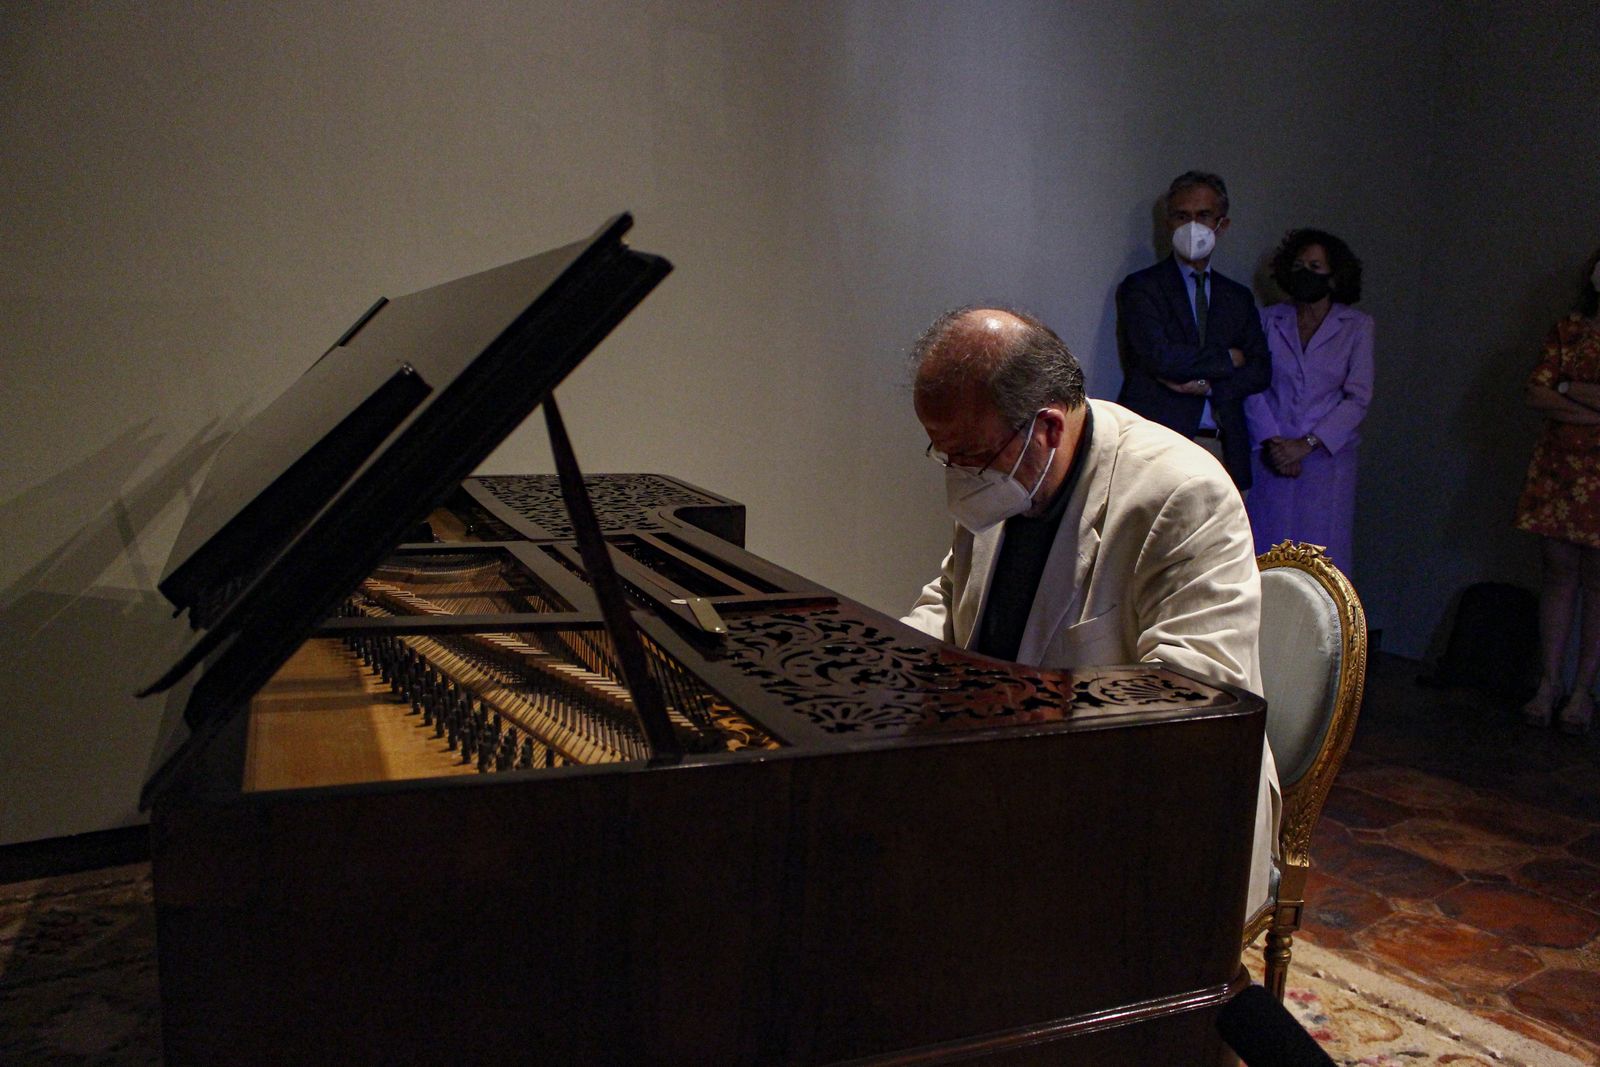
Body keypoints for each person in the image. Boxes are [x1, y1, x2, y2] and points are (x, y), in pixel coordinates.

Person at [900, 305, 1280, 917]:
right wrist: (888, 665)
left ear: (1047, 428)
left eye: (969, 454)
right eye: (944, 454)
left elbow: (1197, 698)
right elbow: (949, 598)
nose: (958, 475)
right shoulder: (1010, 464)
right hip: (1011, 779)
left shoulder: (1182, 495)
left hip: (1148, 813)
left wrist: (1017, 710)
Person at [1116, 171, 1271, 490]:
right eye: (1181, 216)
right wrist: (1228, 359)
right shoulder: (1142, 288)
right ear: (1169, 222)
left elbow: (1260, 370)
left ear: (1221, 224)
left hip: (1221, 446)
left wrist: (1208, 385)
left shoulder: (1237, 297)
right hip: (1157, 447)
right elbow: (1161, 358)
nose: (1192, 226)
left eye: (1203, 216)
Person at [1245, 230, 1374, 567]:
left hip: (1326, 463)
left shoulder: (1356, 326)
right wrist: (1276, 442)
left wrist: (1307, 443)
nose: (1306, 272)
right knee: (1266, 556)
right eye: (1300, 264)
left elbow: (1357, 397)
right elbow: (1251, 383)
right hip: (1271, 458)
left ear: (1333, 274)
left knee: (1321, 564)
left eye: (1315, 266)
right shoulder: (1269, 319)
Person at [1514, 247, 1600, 734]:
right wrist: (1570, 395)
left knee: (1597, 583)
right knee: (1559, 575)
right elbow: (1536, 391)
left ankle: (1582, 691)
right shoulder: (1569, 328)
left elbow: (1557, 389)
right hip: (1559, 470)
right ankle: (1548, 684)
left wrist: (1569, 389)